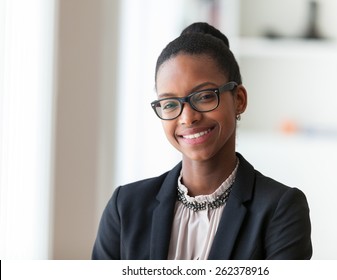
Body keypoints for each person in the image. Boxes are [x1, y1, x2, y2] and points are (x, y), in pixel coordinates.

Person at [92, 22, 312, 260]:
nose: (188, 118)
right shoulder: (125, 207)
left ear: (239, 99)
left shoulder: (280, 208)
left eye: (205, 96)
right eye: (170, 104)